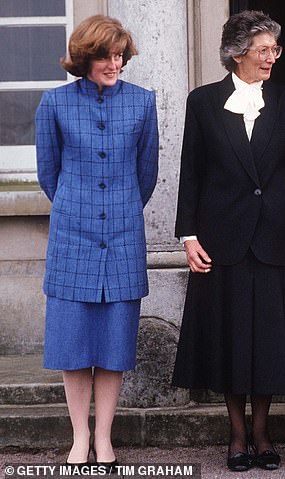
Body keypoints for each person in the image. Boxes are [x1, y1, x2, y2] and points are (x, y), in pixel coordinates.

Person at [171, 10, 285, 472]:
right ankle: (237, 435)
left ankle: (262, 432)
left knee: (269, 340)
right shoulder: (202, 102)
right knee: (231, 338)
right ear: (237, 53)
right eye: (263, 49)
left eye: (275, 49)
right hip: (222, 240)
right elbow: (191, 172)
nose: (272, 57)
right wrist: (188, 235)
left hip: (275, 237)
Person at [35, 15, 159, 468]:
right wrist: (79, 209)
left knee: (113, 345)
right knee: (74, 345)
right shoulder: (55, 104)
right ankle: (79, 436)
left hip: (124, 238)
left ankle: (104, 438)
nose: (116, 62)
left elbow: (147, 174)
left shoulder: (143, 103)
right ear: (85, 57)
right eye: (107, 55)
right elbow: (49, 174)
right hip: (72, 241)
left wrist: (120, 211)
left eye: (121, 54)